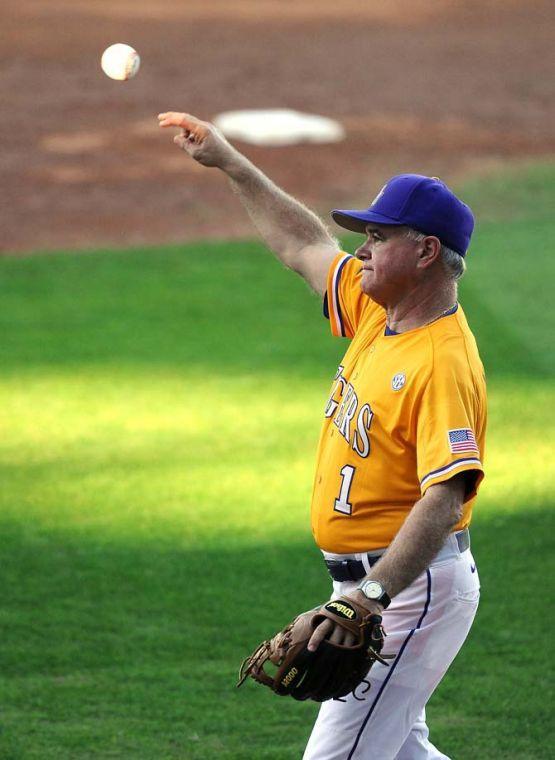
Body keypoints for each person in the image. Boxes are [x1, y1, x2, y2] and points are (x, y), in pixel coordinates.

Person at [158, 112, 486, 760]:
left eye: (376, 236)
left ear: (424, 252)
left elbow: (444, 499)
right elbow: (302, 244)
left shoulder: (441, 361)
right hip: (368, 590)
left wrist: (367, 600)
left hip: (406, 590)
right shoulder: (378, 309)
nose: (360, 249)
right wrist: (230, 163)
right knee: (398, 752)